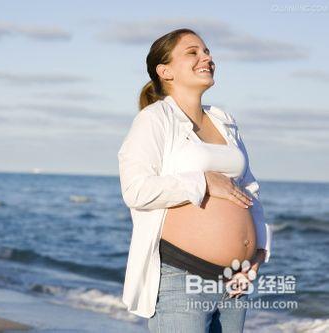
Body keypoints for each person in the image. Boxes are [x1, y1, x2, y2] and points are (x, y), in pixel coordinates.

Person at [117, 28, 273, 332]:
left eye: (207, 51)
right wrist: (202, 181)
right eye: (193, 52)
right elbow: (136, 191)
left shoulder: (224, 121)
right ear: (165, 71)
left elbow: (250, 191)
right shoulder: (154, 119)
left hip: (236, 281)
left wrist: (258, 253)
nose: (207, 58)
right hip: (182, 278)